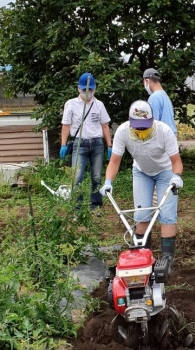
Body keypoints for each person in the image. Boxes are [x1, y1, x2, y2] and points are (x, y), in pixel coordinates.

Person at [100, 101, 183, 265]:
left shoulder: (164, 131)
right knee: (141, 214)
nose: (142, 131)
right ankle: (142, 255)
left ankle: (167, 259)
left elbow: (176, 161)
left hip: (165, 172)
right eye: (138, 127)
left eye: (145, 127)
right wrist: (108, 181)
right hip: (141, 172)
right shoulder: (123, 132)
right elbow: (115, 161)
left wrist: (176, 176)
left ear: (152, 120)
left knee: (166, 214)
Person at [60, 73, 112, 209]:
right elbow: (66, 125)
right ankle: (77, 208)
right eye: (85, 90)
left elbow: (105, 126)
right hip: (79, 144)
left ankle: (96, 206)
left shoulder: (99, 105)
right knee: (77, 178)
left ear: (94, 89)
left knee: (96, 178)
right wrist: (63, 145)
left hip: (97, 144)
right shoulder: (71, 104)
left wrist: (109, 145)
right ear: (79, 89)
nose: (88, 93)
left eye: (90, 90)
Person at [142, 68, 177, 134]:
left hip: (163, 139)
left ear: (147, 81)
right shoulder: (165, 96)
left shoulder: (154, 98)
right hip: (171, 136)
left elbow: (152, 125)